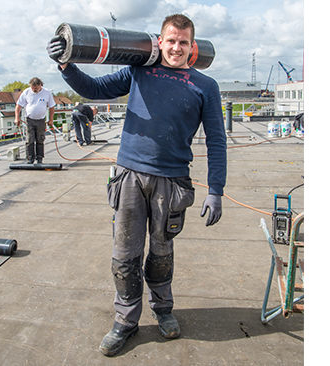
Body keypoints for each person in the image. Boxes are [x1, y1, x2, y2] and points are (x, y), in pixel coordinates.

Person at [48, 14, 227, 357]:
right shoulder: (139, 70)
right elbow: (95, 90)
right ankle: (125, 322)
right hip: (129, 176)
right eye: (170, 40)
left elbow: (216, 142)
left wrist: (216, 190)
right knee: (125, 257)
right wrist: (65, 65)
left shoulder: (205, 86)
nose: (176, 47)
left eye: (183, 42)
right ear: (160, 42)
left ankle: (163, 311)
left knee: (161, 254)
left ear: (192, 46)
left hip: (172, 182)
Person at [14, 77, 56, 164]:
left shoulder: (47, 93)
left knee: (40, 139)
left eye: (36, 88)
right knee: (30, 140)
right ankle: (30, 158)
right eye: (33, 88)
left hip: (41, 120)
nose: (34, 90)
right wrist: (17, 117)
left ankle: (39, 158)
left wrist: (51, 119)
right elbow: (18, 106)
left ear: (40, 85)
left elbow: (51, 107)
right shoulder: (26, 92)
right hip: (29, 120)